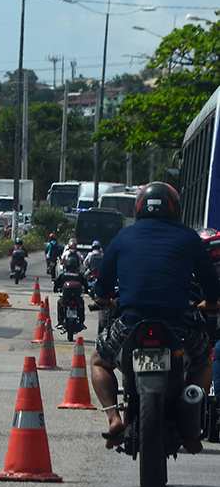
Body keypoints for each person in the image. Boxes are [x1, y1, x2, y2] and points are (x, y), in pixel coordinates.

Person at [91, 182, 220, 453]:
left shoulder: (123, 237)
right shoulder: (188, 237)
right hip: (179, 325)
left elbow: (101, 288)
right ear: (175, 209)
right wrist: (210, 303)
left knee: (99, 361)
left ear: (138, 209)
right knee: (202, 364)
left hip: (130, 324)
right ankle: (191, 426)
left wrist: (107, 301)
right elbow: (212, 285)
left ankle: (114, 418)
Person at [52, 254, 89, 329]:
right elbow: (85, 283)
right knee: (81, 305)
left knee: (60, 303)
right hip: (77, 298)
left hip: (66, 298)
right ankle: (81, 322)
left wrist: (55, 289)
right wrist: (86, 291)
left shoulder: (63, 275)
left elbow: (57, 283)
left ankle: (60, 322)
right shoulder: (79, 275)